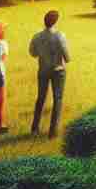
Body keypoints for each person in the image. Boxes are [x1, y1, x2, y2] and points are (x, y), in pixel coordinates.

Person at [29, 9, 72, 137]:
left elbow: (32, 53)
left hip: (43, 70)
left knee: (40, 98)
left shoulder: (36, 36)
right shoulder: (60, 36)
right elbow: (67, 57)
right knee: (57, 99)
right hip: (58, 71)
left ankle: (34, 127)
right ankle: (53, 132)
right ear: (56, 21)